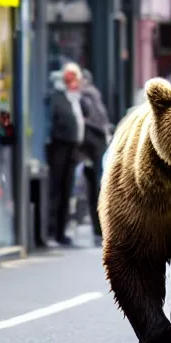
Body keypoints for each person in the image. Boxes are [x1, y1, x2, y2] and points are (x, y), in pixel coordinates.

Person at [46, 62, 85, 246]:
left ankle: (61, 232)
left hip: (72, 148)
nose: (73, 81)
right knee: (56, 188)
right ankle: (52, 231)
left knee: (66, 190)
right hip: (59, 146)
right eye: (69, 77)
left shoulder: (76, 99)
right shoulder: (57, 98)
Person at [79, 69, 111, 246]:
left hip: (91, 149)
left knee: (95, 190)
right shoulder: (93, 96)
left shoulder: (86, 97)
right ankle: (100, 228)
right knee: (96, 189)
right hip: (95, 150)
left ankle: (99, 228)